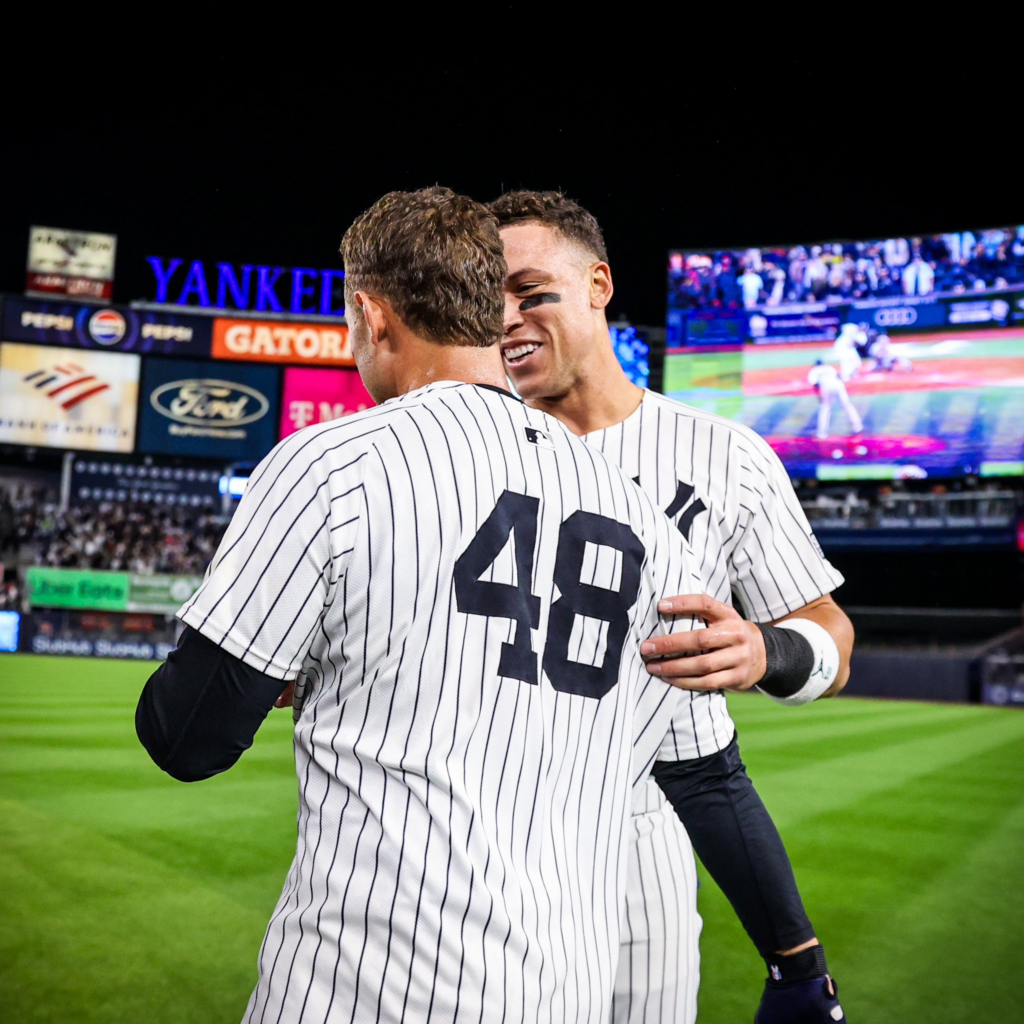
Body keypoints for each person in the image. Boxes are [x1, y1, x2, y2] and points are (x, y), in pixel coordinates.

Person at [136, 187, 717, 1023]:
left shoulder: (333, 461)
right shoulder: (646, 519)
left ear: (373, 317)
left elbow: (188, 737)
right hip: (570, 986)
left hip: (371, 985)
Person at [489, 190, 851, 1024]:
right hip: (479, 825)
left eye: (533, 292)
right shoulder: (463, 450)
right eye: (491, 302)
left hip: (640, 833)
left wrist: (769, 650)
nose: (508, 319)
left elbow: (829, 632)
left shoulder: (725, 455)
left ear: (598, 285)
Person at [809, 360, 864, 439]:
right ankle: (858, 426)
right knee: (847, 405)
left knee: (825, 408)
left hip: (827, 388)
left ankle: (822, 433)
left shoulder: (814, 371)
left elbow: (815, 385)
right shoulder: (828, 367)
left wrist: (819, 397)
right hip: (839, 386)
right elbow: (838, 377)